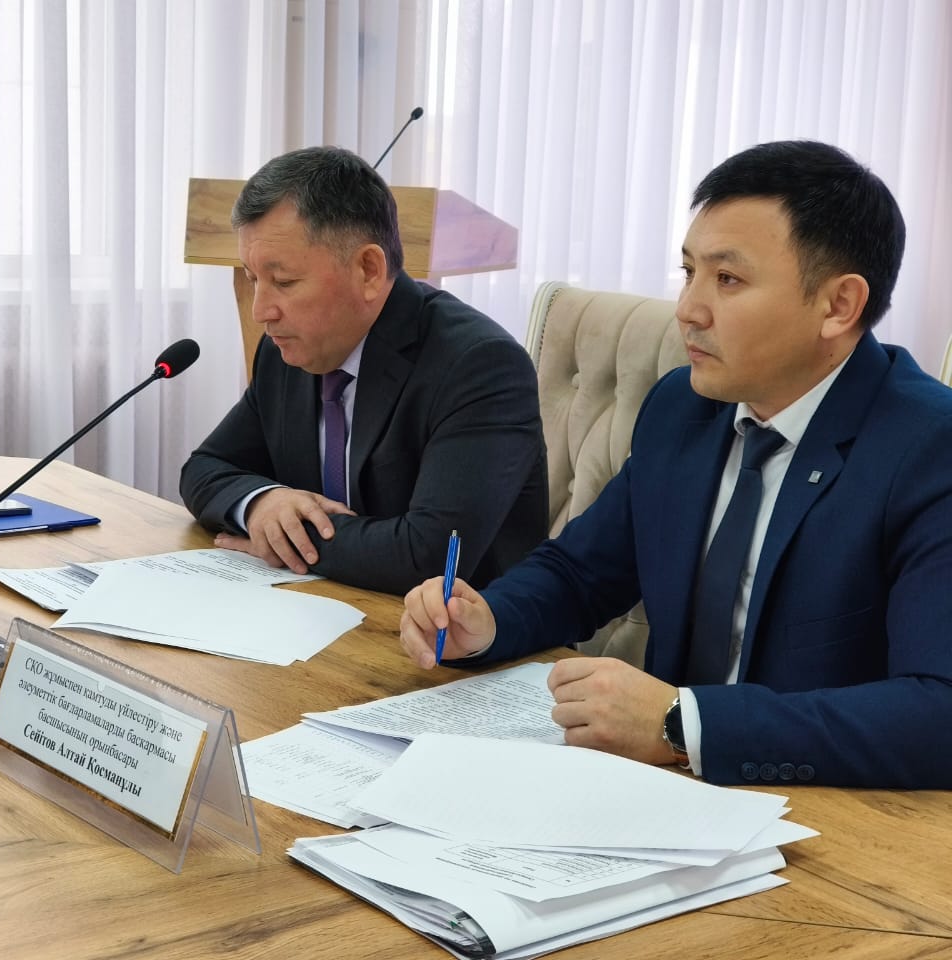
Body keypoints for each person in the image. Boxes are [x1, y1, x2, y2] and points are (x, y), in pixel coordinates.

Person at [400, 139, 952, 789]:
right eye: (688, 272)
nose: (688, 309)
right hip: (654, 792)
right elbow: (582, 572)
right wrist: (489, 620)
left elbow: (938, 711)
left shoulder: (928, 448)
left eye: (727, 279)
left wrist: (683, 725)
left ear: (839, 305)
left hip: (822, 810)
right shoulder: (683, 407)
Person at [181, 146, 548, 595]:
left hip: (454, 632)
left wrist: (287, 536)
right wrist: (262, 504)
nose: (261, 311)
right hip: (322, 605)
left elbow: (429, 556)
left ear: (369, 270)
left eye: (284, 281)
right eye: (253, 279)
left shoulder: (480, 365)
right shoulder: (288, 352)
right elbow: (204, 468)